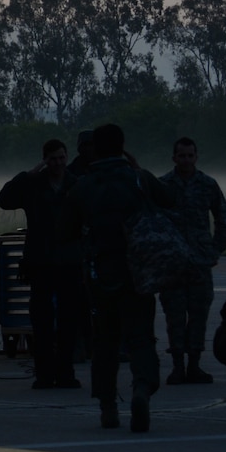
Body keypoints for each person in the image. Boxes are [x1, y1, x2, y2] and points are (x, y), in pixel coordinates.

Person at [62, 123, 178, 432]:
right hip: (139, 270)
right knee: (140, 336)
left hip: (101, 272)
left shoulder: (84, 186)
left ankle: (108, 406)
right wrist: (140, 171)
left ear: (95, 150)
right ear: (123, 146)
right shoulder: (139, 179)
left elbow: (66, 229)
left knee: (105, 341)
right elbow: (170, 198)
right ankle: (142, 389)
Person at [0, 139, 84, 390]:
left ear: (67, 158)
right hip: (41, 262)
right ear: (45, 159)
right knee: (42, 322)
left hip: (68, 261)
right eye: (52, 158)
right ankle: (44, 374)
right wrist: (28, 174)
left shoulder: (75, 185)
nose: (57, 163)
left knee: (69, 322)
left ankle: (65, 372)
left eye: (61, 158)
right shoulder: (33, 185)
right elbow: (4, 199)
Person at [157, 137, 226, 385]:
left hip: (199, 262)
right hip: (173, 263)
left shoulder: (208, 185)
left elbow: (223, 218)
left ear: (196, 157)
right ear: (174, 158)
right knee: (174, 316)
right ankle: (178, 366)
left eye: (190, 155)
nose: (186, 160)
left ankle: (195, 364)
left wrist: (214, 250)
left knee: (199, 315)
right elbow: (151, 221)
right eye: (182, 156)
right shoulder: (163, 186)